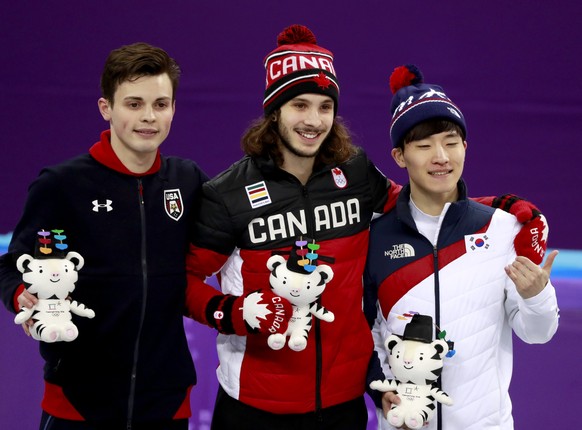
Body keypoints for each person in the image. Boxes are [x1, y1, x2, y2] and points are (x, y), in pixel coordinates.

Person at [182, 26, 549, 430]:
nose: (313, 120)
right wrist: (234, 312)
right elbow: (185, 282)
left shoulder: (354, 172)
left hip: (343, 404)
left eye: (325, 107)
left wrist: (501, 208)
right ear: (274, 111)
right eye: (299, 106)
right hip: (255, 404)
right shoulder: (228, 194)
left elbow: (422, 200)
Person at [0, 42, 210, 430]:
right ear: (106, 108)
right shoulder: (62, 184)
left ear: (173, 109)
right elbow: (12, 266)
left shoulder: (188, 180)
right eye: (134, 104)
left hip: (166, 401)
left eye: (161, 104)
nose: (149, 117)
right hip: (78, 401)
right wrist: (22, 297)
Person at [363, 64, 559, 430]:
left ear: (465, 146)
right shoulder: (377, 238)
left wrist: (537, 296)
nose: (441, 156)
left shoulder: (502, 229)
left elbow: (538, 332)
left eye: (451, 142)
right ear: (400, 157)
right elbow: (365, 331)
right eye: (424, 145)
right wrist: (380, 390)